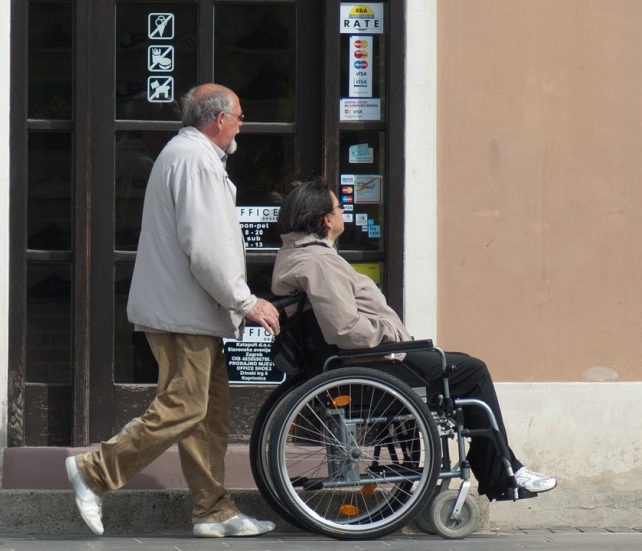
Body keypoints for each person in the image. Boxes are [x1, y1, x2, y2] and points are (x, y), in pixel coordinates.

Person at [65, 83, 282, 538]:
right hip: (184, 311)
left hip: (189, 310)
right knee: (185, 407)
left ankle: (213, 510)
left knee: (208, 413)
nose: (242, 124)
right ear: (219, 119)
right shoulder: (196, 160)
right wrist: (245, 300)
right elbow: (206, 248)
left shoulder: (190, 157)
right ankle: (94, 471)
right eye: (239, 116)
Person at [270, 179, 557, 501]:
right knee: (471, 371)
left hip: (360, 363)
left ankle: (499, 464)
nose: (343, 212)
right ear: (326, 219)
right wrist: (391, 335)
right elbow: (345, 329)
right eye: (339, 207)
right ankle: (502, 468)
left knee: (458, 365)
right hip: (368, 364)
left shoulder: (297, 256)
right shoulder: (320, 262)